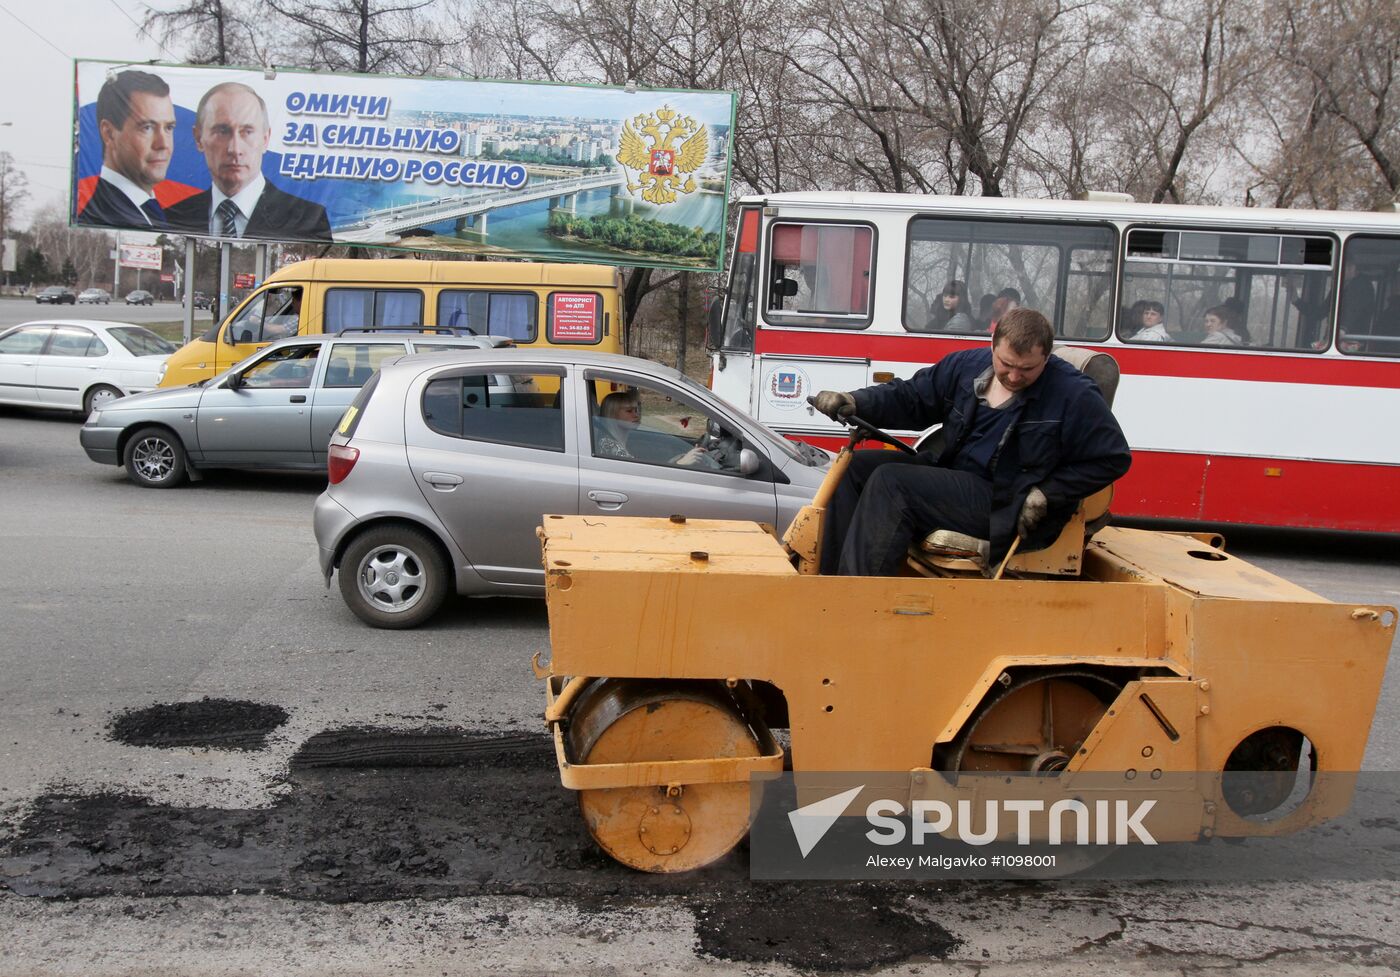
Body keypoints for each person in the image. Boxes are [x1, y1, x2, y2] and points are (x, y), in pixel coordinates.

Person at [810, 307, 1131, 576]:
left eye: (1027, 369)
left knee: (891, 483)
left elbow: (1112, 458)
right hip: (959, 478)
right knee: (855, 468)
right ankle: (829, 582)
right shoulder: (966, 367)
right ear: (993, 346)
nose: (1014, 377)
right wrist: (855, 400)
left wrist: (1047, 493)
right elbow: (912, 397)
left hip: (1006, 501)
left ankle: (858, 599)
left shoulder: (1074, 394)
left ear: (1046, 357)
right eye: (1006, 364)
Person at [167, 82, 332, 241]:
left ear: (265, 139)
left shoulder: (307, 220)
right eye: (222, 131)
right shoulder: (171, 218)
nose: (235, 149)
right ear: (198, 138)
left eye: (247, 131)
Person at [77, 70, 177, 230]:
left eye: (169, 127)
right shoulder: (100, 218)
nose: (163, 144)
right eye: (147, 127)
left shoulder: (152, 209)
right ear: (109, 133)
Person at [594, 391, 712, 467]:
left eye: (636, 410)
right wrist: (680, 463)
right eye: (629, 411)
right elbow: (639, 477)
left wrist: (678, 459)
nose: (636, 415)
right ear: (613, 415)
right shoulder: (609, 445)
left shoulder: (620, 440)